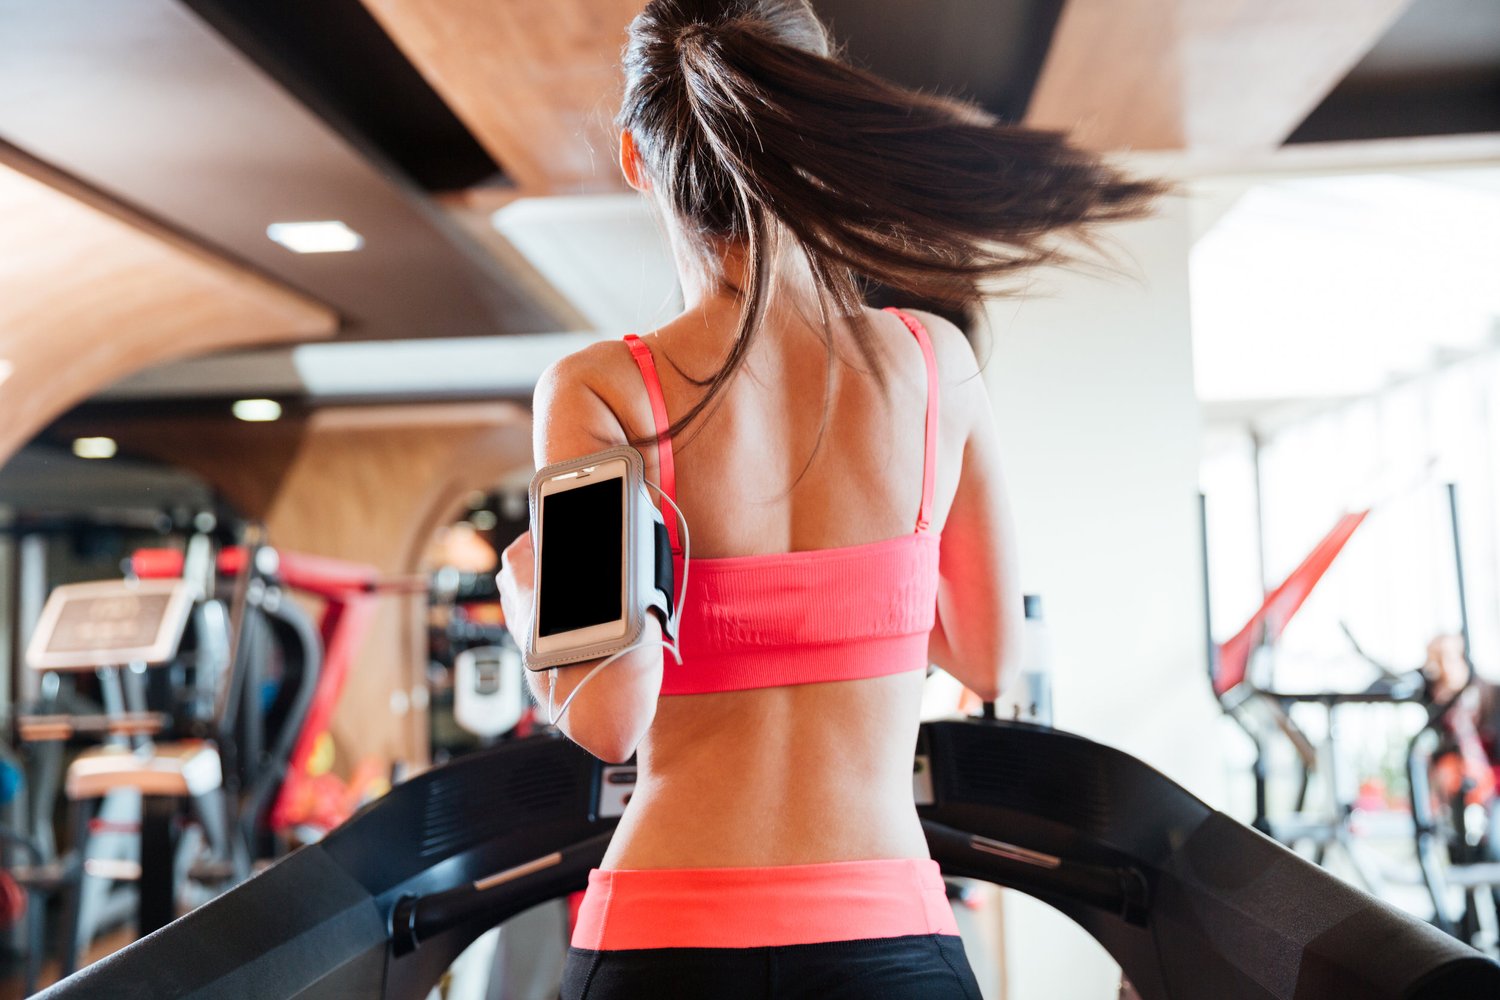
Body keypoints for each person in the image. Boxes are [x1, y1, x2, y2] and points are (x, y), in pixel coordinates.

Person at [496, 2, 1161, 996]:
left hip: (661, 939)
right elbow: (986, 653)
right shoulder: (937, 367)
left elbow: (608, 719)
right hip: (889, 939)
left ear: (638, 160)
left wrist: (526, 597)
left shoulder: (599, 391)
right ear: (814, 144)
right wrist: (854, 605)